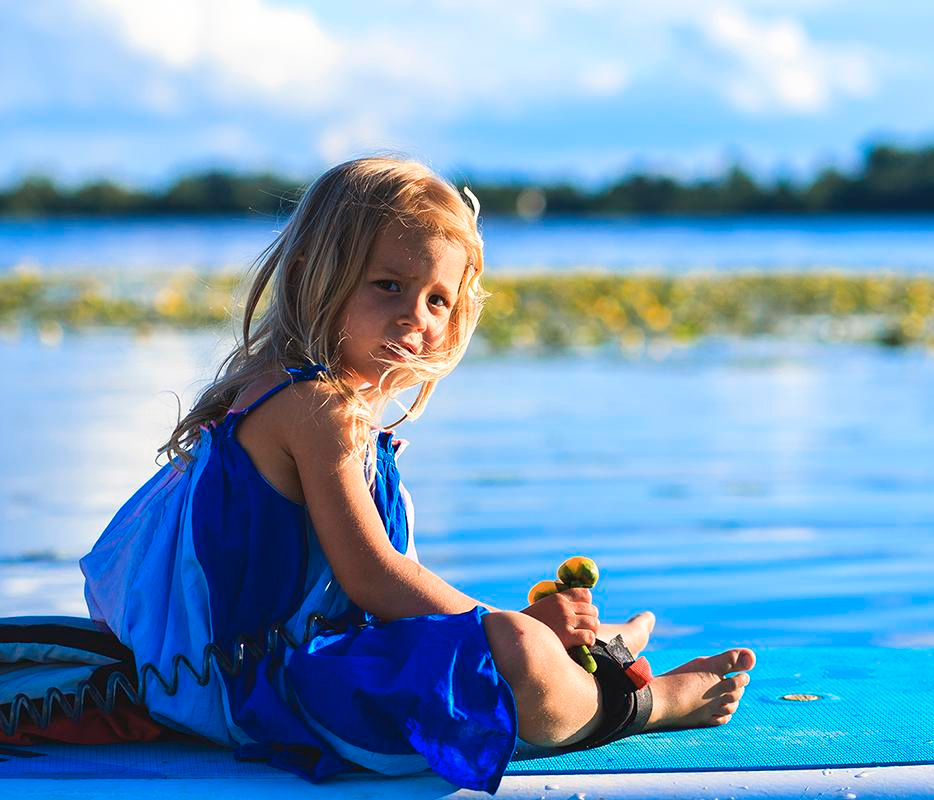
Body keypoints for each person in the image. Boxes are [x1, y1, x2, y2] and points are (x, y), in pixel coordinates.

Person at [79, 157, 755, 794]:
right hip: (262, 692)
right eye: (389, 286)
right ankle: (647, 700)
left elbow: (365, 600)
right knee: (518, 649)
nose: (416, 317)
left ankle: (587, 652)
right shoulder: (318, 410)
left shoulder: (288, 394)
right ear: (318, 275)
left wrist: (496, 623)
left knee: (506, 635)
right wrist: (515, 630)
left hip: (251, 670)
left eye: (437, 300)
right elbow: (372, 578)